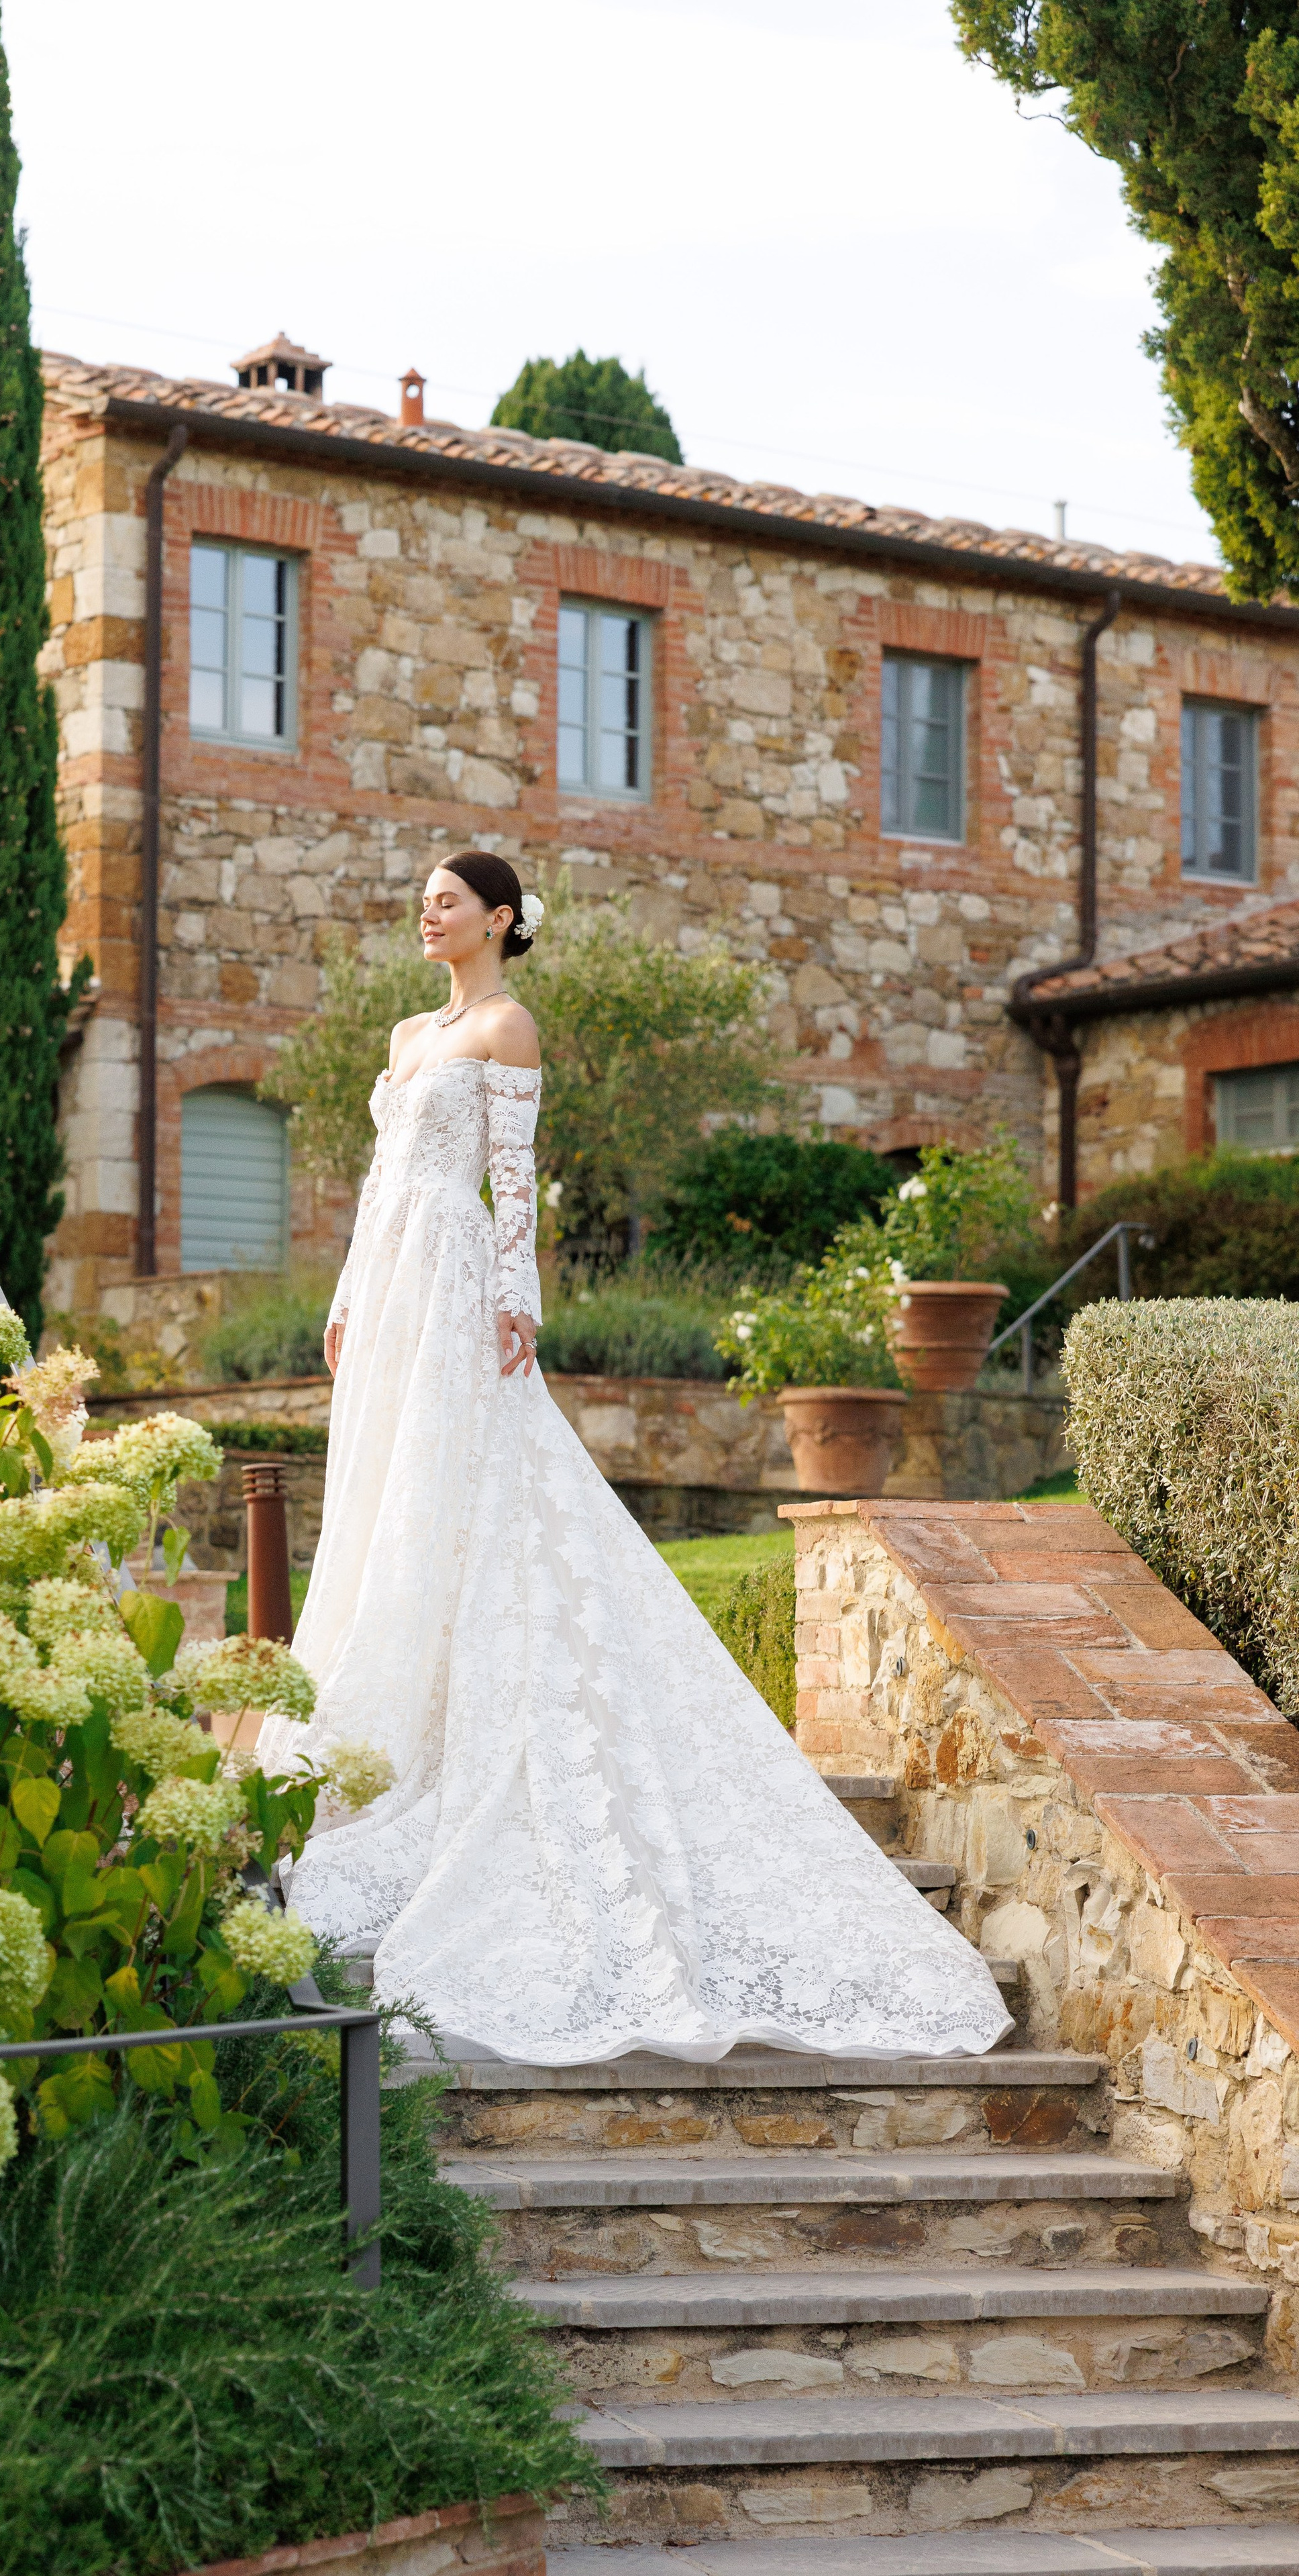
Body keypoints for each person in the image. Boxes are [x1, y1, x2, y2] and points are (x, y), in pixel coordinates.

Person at [255, 852, 1009, 2065]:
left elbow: (514, 1185)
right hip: (392, 1284)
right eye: (426, 899)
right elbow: (377, 1182)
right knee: (387, 1492)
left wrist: (520, 1300)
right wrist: (347, 1293)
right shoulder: (405, 1035)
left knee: (465, 1481)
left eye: (449, 899)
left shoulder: (509, 1026)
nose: (427, 911)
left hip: (455, 1282)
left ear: (500, 919)